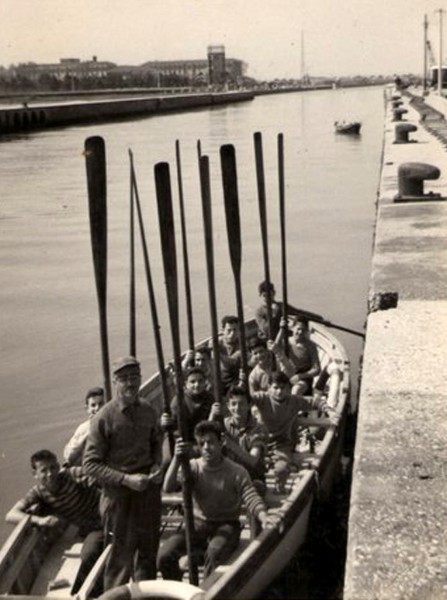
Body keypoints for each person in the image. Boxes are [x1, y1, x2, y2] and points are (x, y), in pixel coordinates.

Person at [83, 356, 163, 591]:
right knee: (119, 560)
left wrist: (157, 464)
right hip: (119, 499)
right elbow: (90, 464)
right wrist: (126, 479)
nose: (131, 384)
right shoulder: (103, 419)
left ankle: (145, 596)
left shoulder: (148, 410)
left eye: (135, 378)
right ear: (115, 382)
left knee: (148, 555)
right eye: (125, 379)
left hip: (147, 494)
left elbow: (156, 441)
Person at [157, 421, 274, 581]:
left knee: (214, 554)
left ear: (221, 443)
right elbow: (168, 487)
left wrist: (264, 517)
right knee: (164, 556)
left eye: (211, 442)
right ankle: (176, 586)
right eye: (202, 443)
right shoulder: (192, 467)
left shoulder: (236, 471)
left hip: (226, 526)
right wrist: (177, 459)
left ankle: (207, 592)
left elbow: (251, 496)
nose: (206, 447)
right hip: (197, 526)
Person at [6, 449, 104, 596]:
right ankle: (83, 593)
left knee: (94, 555)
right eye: (44, 470)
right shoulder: (38, 493)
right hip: (93, 529)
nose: (50, 474)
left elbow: (103, 482)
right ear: (35, 474)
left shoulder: (72, 474)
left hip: (108, 518)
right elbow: (10, 515)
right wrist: (40, 520)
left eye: (52, 468)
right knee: (89, 555)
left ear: (58, 467)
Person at [251, 372, 331, 493]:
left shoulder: (293, 401)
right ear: (269, 388)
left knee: (281, 469)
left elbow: (314, 402)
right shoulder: (263, 398)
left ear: (288, 388)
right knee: (250, 465)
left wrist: (328, 409)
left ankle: (280, 488)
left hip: (282, 444)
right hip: (261, 442)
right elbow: (247, 398)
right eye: (275, 387)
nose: (279, 391)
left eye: (282, 388)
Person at [161, 366, 221, 446]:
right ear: (186, 384)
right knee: (167, 458)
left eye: (200, 381)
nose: (197, 385)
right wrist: (165, 422)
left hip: (204, 440)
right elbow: (171, 428)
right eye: (192, 382)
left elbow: (215, 427)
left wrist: (213, 416)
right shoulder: (178, 401)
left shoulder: (209, 398)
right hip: (184, 441)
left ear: (205, 382)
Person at [223, 385, 268, 488]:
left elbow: (252, 460)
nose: (237, 408)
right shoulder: (223, 424)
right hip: (230, 476)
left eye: (242, 404)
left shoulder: (258, 428)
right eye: (233, 404)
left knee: (257, 489)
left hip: (252, 475)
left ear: (249, 405)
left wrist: (231, 445)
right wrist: (212, 416)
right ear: (228, 406)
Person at [63, 387, 105, 466]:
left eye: (101, 404)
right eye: (93, 405)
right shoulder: (83, 428)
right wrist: (87, 434)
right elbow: (68, 457)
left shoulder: (114, 424)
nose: (97, 408)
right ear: (87, 409)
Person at [287, 317, 321, 395]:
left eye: (303, 330)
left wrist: (300, 376)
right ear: (292, 328)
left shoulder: (310, 345)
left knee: (295, 391)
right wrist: (282, 329)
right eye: (298, 329)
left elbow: (317, 369)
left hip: (304, 377)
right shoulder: (286, 341)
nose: (300, 332)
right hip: (288, 374)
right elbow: (274, 348)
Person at [212, 315, 243, 394]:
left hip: (233, 380)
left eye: (235, 330)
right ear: (223, 330)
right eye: (229, 330)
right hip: (218, 380)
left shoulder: (241, 344)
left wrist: (216, 352)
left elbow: (232, 362)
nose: (232, 334)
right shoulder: (217, 342)